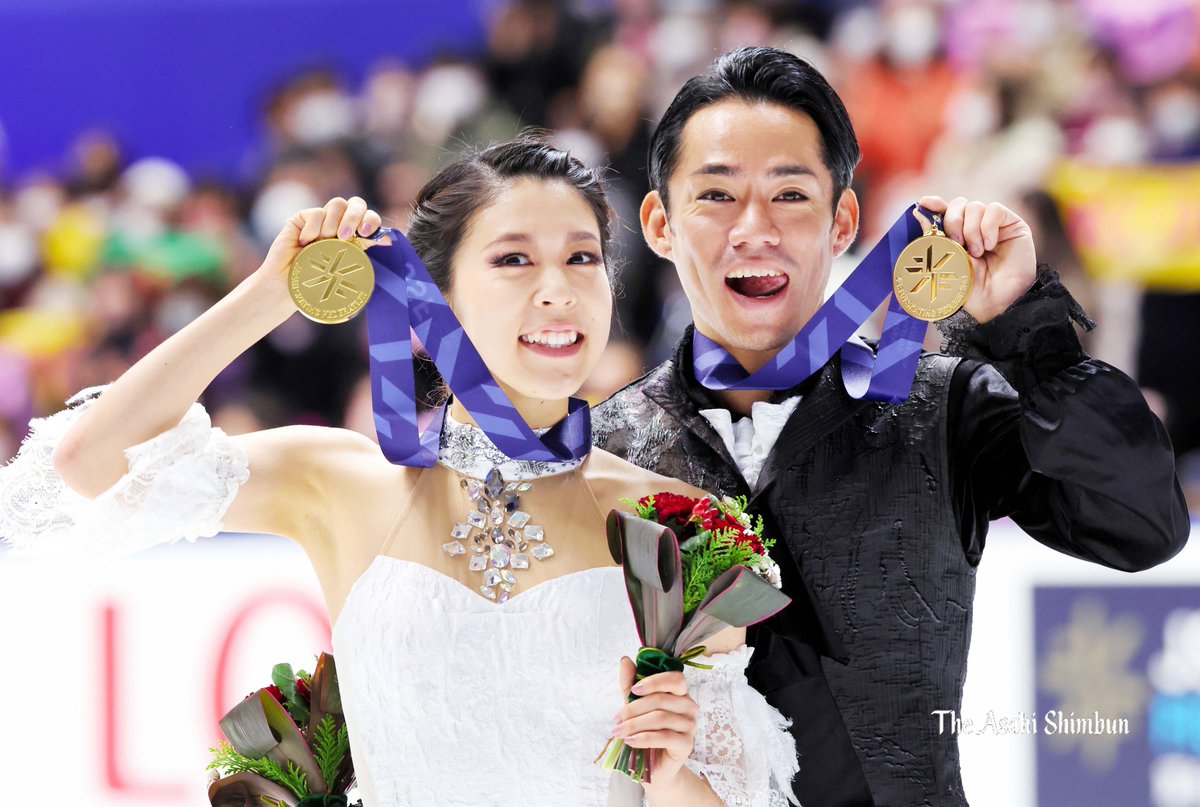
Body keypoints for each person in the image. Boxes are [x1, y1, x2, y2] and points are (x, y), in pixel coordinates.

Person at [1, 137, 801, 806]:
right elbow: (90, 463)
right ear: (434, 299)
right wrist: (272, 293)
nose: (559, 290)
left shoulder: (679, 527)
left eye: (582, 257)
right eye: (514, 259)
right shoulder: (340, 482)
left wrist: (673, 769)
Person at [592, 47, 1191, 807]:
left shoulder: (940, 407)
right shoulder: (606, 449)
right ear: (659, 223)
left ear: (844, 219)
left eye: (790, 194)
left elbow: (1142, 524)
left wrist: (1027, 330)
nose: (754, 228)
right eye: (716, 194)